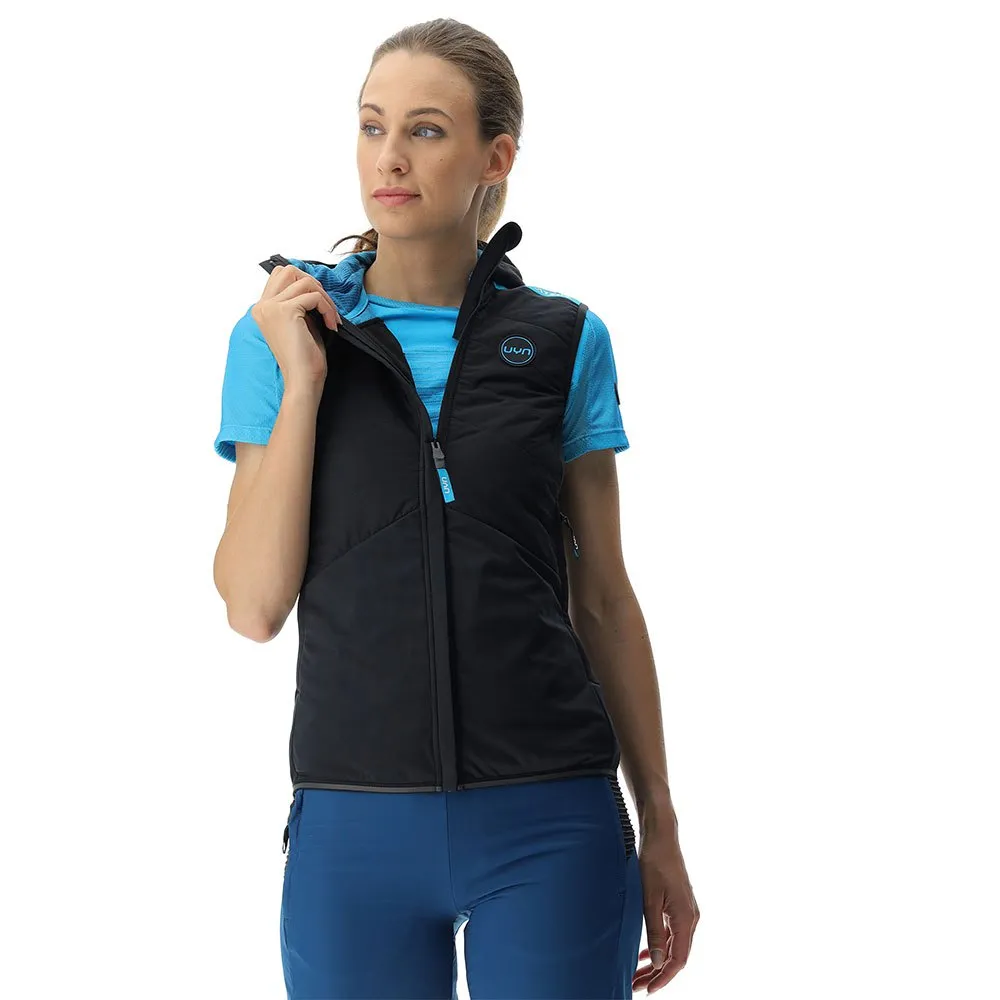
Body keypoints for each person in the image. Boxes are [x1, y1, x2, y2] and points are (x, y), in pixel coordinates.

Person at [212, 17, 698, 999]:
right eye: (372, 126)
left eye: (425, 130)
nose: (388, 157)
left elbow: (604, 597)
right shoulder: (281, 333)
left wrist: (661, 825)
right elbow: (254, 607)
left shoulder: (565, 339)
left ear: (495, 156)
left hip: (552, 816)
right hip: (354, 822)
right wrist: (305, 383)